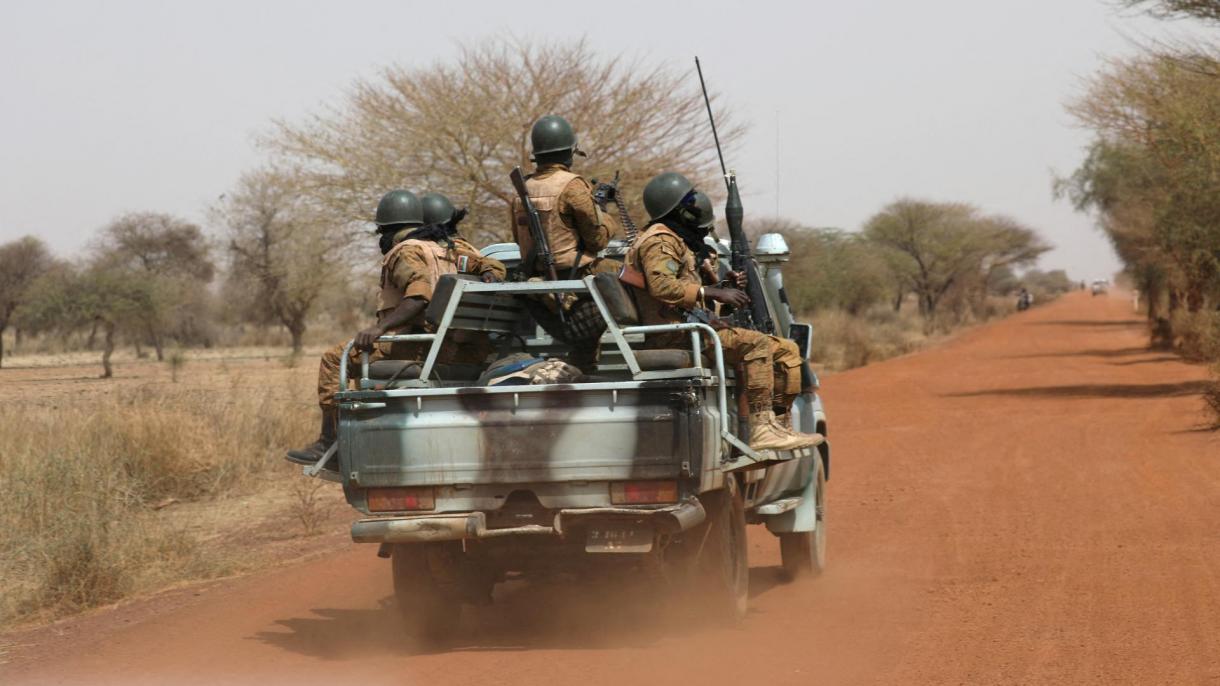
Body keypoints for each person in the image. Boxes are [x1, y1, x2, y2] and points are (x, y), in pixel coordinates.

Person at [287, 190, 506, 464]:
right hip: (463, 349)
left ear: (390, 230)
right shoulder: (457, 250)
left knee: (334, 359)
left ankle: (330, 444)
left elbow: (419, 296)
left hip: (418, 348)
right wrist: (489, 274)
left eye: (381, 232)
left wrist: (379, 329)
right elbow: (493, 264)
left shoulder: (406, 251)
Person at [625, 172, 822, 452]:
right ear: (677, 209)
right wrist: (712, 292)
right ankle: (761, 429)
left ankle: (779, 425)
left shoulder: (679, 240)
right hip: (675, 335)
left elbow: (686, 288)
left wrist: (722, 285)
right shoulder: (660, 241)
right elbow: (661, 286)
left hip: (693, 328)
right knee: (757, 343)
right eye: (690, 200)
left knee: (788, 351)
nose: (697, 204)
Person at [509, 114, 620, 370]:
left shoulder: (521, 190)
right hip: (575, 282)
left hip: (540, 288)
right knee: (630, 275)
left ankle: (584, 365)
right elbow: (597, 240)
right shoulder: (573, 186)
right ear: (569, 153)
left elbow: (519, 239)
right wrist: (604, 216)